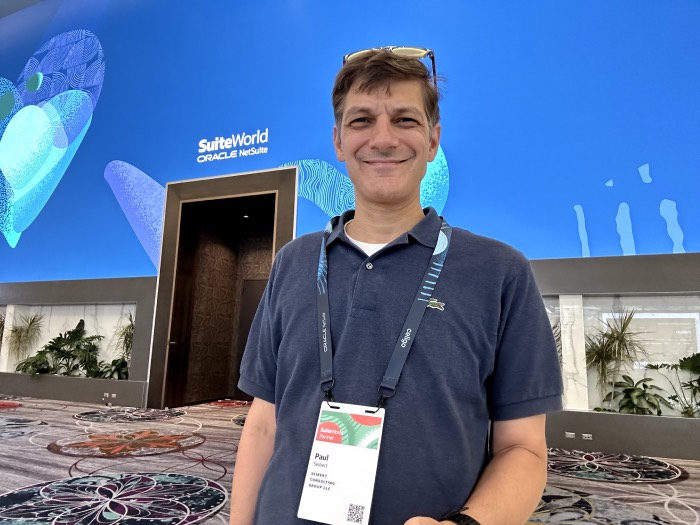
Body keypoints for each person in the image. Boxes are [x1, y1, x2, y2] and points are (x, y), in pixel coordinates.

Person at [230, 47, 562, 525]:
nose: (383, 139)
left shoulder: (500, 271)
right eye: (361, 121)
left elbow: (523, 449)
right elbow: (263, 424)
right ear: (339, 141)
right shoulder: (293, 262)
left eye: (404, 120)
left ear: (432, 140)